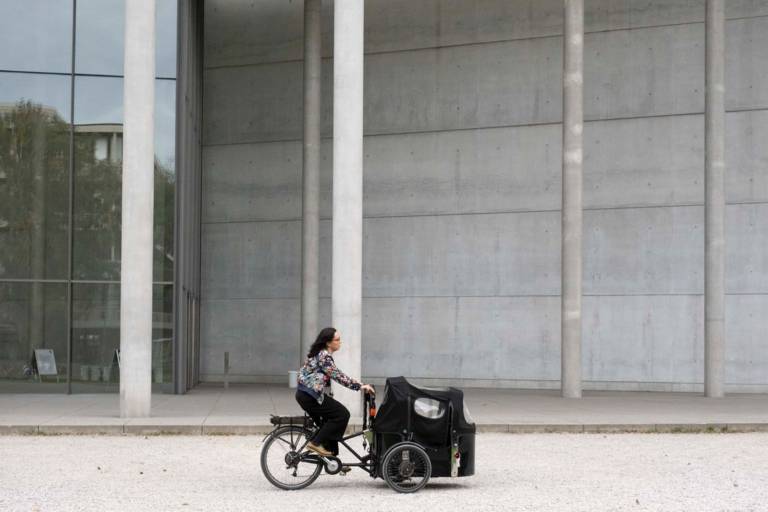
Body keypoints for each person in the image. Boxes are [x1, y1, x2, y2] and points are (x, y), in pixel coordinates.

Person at [296, 327, 375, 457]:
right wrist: (360, 386)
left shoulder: (320, 354)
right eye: (337, 340)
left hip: (306, 395)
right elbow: (337, 376)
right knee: (342, 414)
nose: (340, 342)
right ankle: (315, 444)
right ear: (328, 342)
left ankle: (331, 458)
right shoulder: (324, 356)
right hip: (310, 396)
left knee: (327, 423)